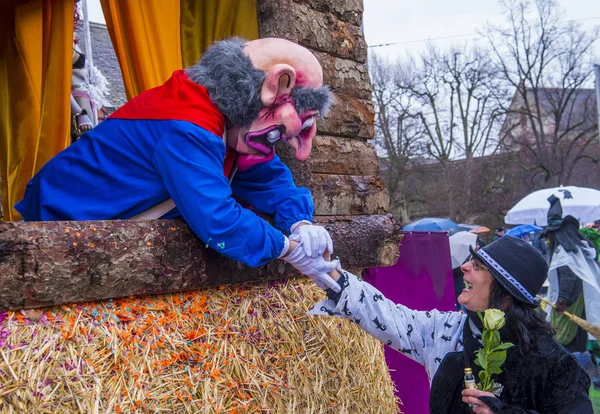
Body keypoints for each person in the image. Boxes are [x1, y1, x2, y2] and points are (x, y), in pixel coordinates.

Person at [15, 37, 340, 290]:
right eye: (278, 132)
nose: (279, 144)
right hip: (54, 225)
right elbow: (217, 220)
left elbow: (268, 178)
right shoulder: (187, 124)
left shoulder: (240, 126)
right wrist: (286, 248)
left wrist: (300, 222)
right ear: (270, 89)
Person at [310, 236, 593, 413]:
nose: (465, 267)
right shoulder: (444, 330)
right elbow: (384, 314)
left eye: (479, 266)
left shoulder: (557, 365)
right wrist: (325, 267)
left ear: (506, 293)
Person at [542, 195, 600, 387]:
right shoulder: (572, 249)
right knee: (575, 342)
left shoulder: (564, 254)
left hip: (572, 304)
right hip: (579, 302)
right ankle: (587, 372)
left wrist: (562, 300)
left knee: (566, 340)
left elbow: (568, 278)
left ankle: (583, 374)